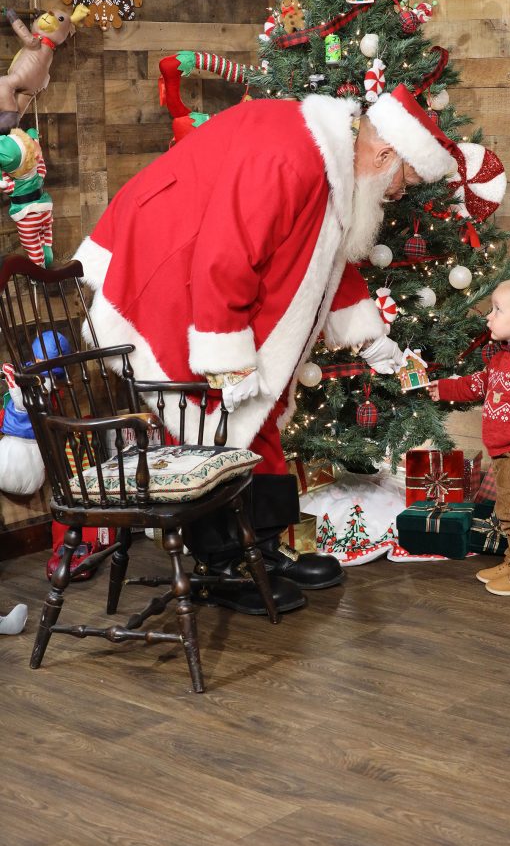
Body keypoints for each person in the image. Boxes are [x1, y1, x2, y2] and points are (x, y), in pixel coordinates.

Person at [74, 84, 457, 612]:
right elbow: (224, 254)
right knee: (210, 418)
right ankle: (226, 563)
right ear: (386, 153)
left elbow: (327, 259)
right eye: (406, 179)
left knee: (264, 409)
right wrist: (226, 360)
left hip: (204, 278)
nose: (400, 193)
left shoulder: (335, 160)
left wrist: (370, 339)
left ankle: (263, 546)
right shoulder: (290, 155)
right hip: (167, 274)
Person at [428, 277, 510, 596]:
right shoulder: (503, 358)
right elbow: (478, 384)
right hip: (506, 452)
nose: (488, 316)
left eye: (497, 310)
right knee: (508, 509)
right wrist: (445, 388)